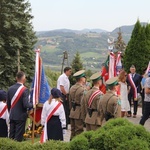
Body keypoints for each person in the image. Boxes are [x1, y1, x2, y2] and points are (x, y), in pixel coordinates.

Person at [7, 71, 33, 142]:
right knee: (18, 137)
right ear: (24, 79)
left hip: (12, 115)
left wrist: (11, 112)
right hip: (21, 116)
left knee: (11, 136)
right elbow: (26, 105)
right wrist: (32, 104)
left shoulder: (10, 89)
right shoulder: (24, 90)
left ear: (16, 78)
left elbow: (8, 104)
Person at [69, 70, 86, 140]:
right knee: (79, 131)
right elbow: (83, 103)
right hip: (79, 112)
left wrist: (72, 109)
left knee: (72, 131)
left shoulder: (72, 87)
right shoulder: (82, 89)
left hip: (73, 111)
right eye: (84, 77)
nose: (85, 78)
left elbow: (70, 102)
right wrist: (84, 114)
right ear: (81, 79)